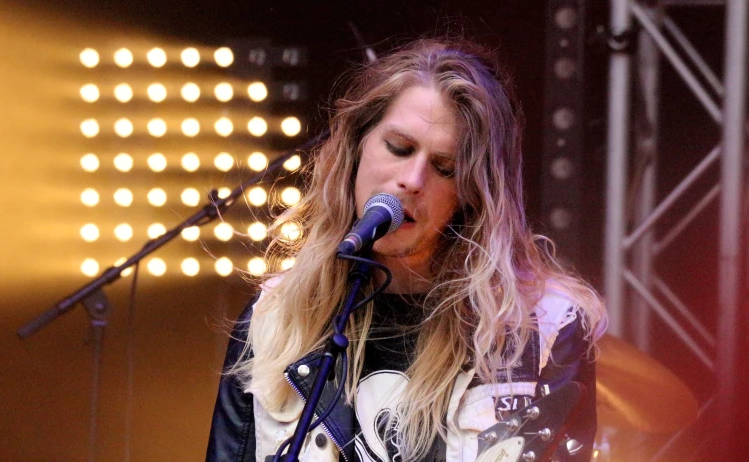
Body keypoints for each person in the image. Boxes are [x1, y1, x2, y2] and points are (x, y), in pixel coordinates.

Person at [206, 38, 607, 462]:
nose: (413, 179)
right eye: (398, 147)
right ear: (357, 146)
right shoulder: (273, 321)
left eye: (444, 167)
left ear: (471, 195)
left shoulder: (543, 330)